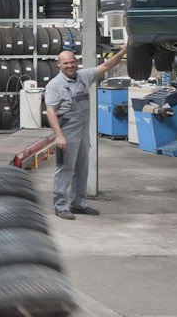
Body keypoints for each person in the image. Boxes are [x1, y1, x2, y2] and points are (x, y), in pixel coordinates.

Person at [43, 49, 122, 218]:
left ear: (76, 62)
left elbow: (109, 64)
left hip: (83, 130)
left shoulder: (84, 76)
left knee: (82, 169)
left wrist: (126, 47)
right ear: (59, 64)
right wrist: (59, 136)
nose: (70, 66)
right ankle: (60, 206)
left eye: (72, 62)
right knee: (64, 169)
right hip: (67, 130)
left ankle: (78, 204)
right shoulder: (54, 85)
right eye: (65, 63)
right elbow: (50, 112)